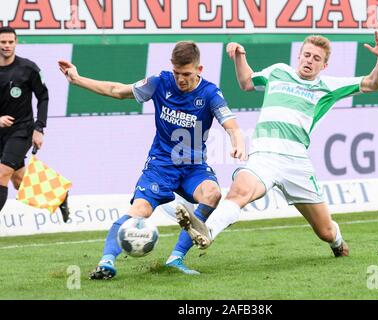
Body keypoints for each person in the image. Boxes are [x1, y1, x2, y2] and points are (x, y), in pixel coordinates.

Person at [176, 29, 378, 258]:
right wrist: (240, 56)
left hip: (296, 163)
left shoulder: (328, 86)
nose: (310, 60)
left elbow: (373, 84)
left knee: (325, 231)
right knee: (240, 191)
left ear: (324, 66)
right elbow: (246, 82)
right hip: (264, 155)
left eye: (317, 58)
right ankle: (207, 231)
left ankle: (339, 244)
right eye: (307, 55)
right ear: (299, 55)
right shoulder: (278, 71)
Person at [58, 41, 246, 279]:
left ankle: (176, 258)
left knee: (212, 193)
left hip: (193, 168)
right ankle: (106, 262)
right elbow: (117, 91)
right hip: (160, 166)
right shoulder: (159, 82)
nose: (180, 79)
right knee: (140, 210)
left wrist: (238, 141)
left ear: (199, 70)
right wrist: (77, 79)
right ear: (171, 67)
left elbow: (231, 124)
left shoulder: (209, 93)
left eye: (186, 74)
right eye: (177, 73)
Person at [0, 26, 70, 222]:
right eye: (3, 42)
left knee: (2, 173)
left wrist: (39, 128)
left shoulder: (28, 68)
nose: (6, 46)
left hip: (22, 131)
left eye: (10, 42)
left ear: (16, 43)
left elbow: (43, 97)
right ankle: (59, 196)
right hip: (0, 133)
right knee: (17, 179)